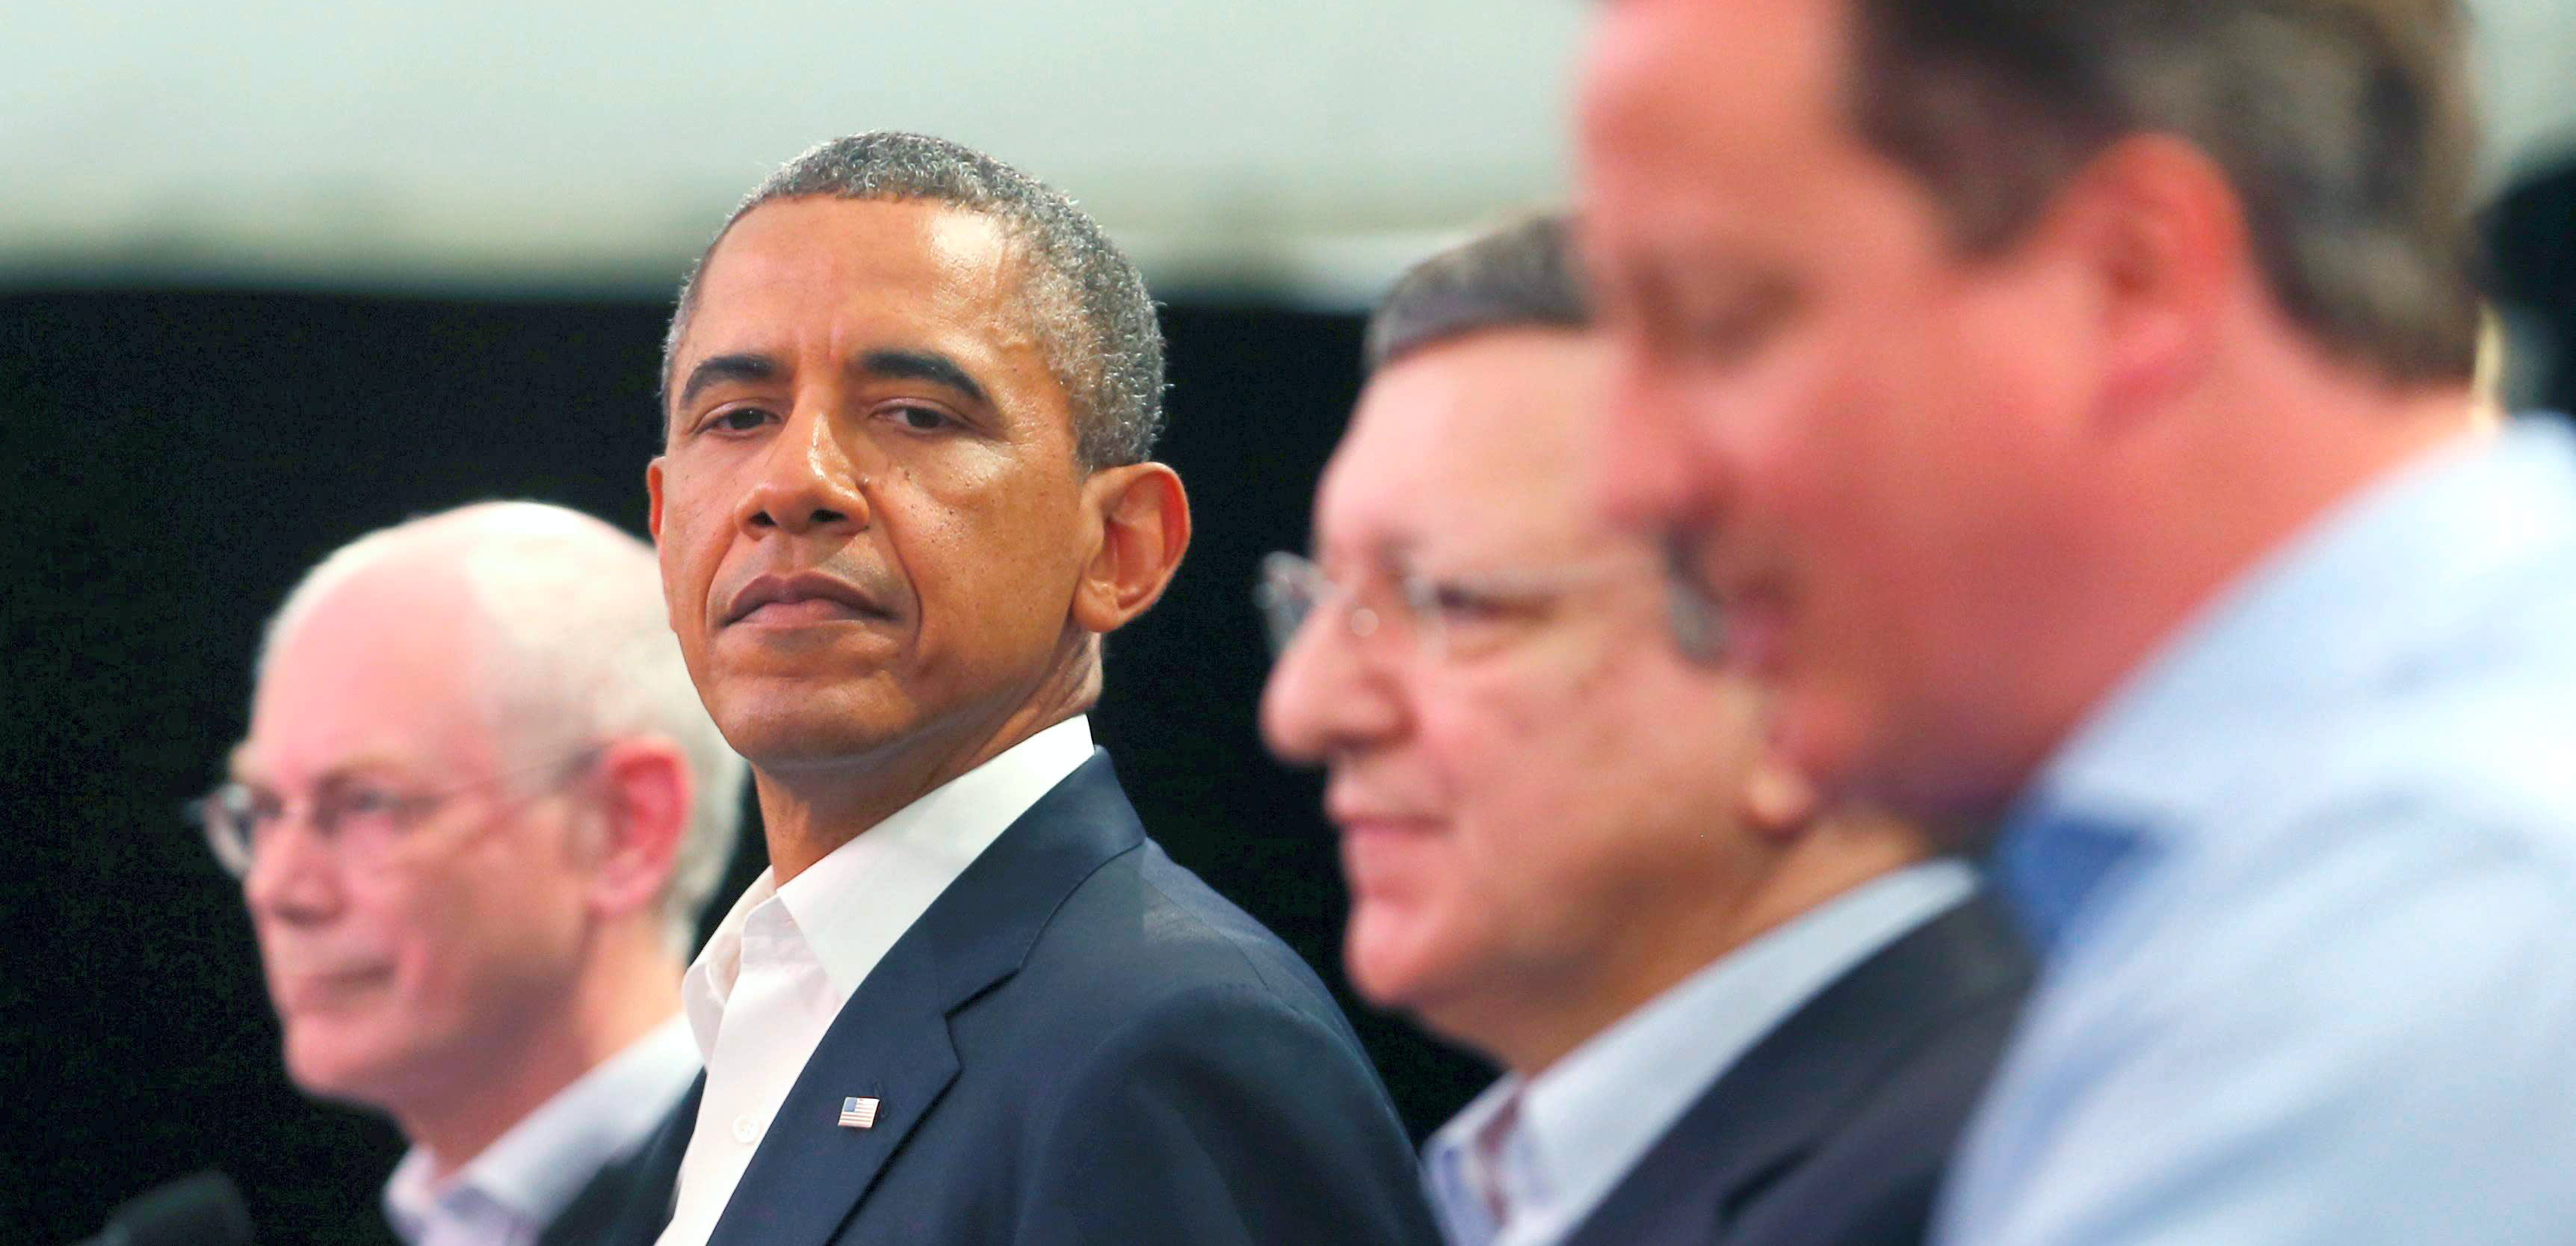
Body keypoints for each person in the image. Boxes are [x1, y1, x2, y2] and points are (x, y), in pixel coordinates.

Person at [1522, 0, 2576, 1242]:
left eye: (1725, 321)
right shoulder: (2356, 871)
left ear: (2131, 280)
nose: (1630, 479)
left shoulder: (2417, 929)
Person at [620, 131, 1437, 1246]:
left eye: (916, 413)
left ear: (1121, 547)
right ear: (664, 523)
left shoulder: (1174, 1043)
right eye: (737, 417)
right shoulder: (749, 1026)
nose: (792, 482)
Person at [1261, 213, 2029, 1246]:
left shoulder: (2015, 1183)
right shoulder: (1516, 1185)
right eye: (1317, 603)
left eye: (1450, 601)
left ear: (1796, 680)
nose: (1303, 710)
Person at [199, 501, 749, 1246]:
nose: (277, 888)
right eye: (264, 809)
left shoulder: (793, 1201)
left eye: (366, 803)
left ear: (626, 826)